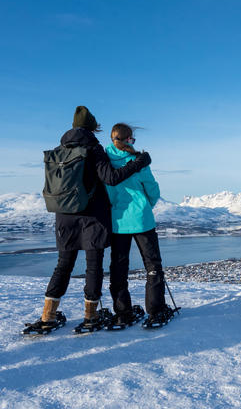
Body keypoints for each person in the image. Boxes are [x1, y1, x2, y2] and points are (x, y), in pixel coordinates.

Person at [25, 107, 151, 334]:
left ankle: (48, 316)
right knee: (94, 268)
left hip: (64, 218)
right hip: (93, 218)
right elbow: (111, 178)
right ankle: (91, 317)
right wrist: (138, 163)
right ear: (93, 127)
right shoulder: (94, 149)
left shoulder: (58, 151)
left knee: (63, 266)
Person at [104, 123, 173, 328]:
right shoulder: (138, 161)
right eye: (132, 139)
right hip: (142, 220)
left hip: (117, 221)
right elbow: (152, 189)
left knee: (118, 267)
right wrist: (145, 206)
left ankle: (123, 313)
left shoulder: (104, 161)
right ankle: (156, 311)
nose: (133, 142)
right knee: (152, 265)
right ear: (127, 140)